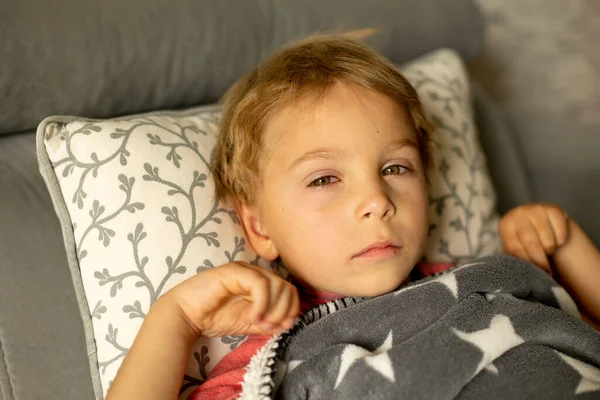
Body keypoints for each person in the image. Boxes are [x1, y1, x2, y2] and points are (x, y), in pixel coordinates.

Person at [105, 33, 600, 400]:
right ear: (258, 227)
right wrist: (176, 317)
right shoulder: (267, 362)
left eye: (395, 168)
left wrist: (564, 247)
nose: (377, 200)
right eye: (325, 179)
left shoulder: (481, 283)